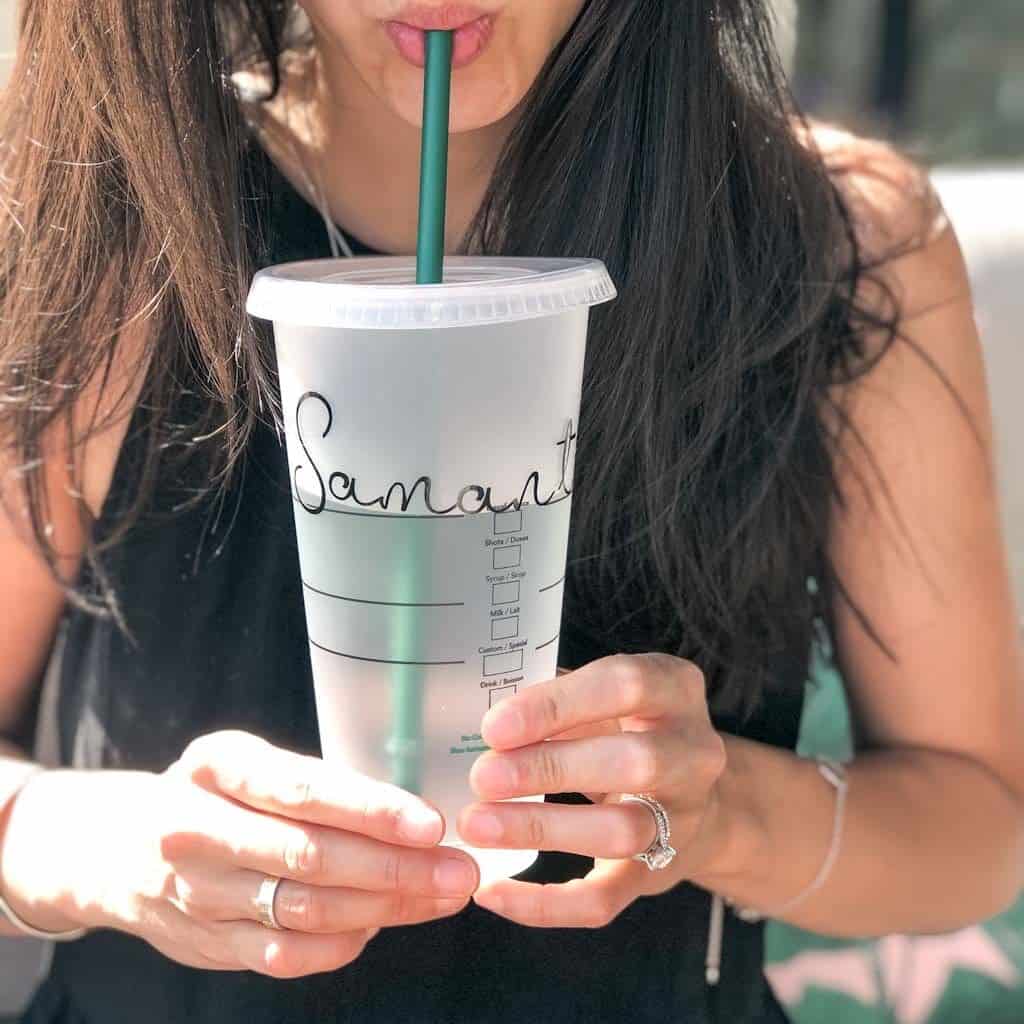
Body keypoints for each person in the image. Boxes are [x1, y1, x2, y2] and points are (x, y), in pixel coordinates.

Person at [0, 2, 1021, 1022]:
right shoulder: (109, 205)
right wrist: (115, 852)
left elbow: (982, 829)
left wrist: (724, 814)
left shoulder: (834, 241)